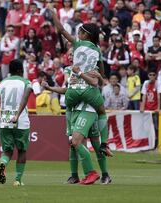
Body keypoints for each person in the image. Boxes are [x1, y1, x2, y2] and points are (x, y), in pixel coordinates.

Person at [48, 4, 112, 157]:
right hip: (89, 89)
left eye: (80, 31)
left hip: (73, 89)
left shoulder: (76, 44)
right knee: (102, 112)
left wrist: (54, 14)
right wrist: (97, 74)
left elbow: (61, 30)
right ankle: (104, 144)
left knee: (69, 108)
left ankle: (71, 134)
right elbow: (101, 72)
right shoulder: (97, 50)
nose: (78, 33)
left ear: (85, 34)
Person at [41, 75, 111, 185]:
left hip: (89, 110)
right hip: (75, 111)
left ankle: (103, 174)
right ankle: (77, 175)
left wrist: (82, 77)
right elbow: (66, 90)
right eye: (69, 55)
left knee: (94, 144)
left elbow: (98, 81)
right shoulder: (69, 71)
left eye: (71, 55)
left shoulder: (88, 66)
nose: (69, 56)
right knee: (74, 144)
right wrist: (51, 87)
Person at [0, 59, 32, 186]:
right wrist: (17, 115)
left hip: (3, 121)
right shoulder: (26, 82)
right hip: (20, 121)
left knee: (7, 151)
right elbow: (25, 98)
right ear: (20, 70)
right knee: (22, 150)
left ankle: (3, 164)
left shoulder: (2, 83)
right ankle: (18, 180)